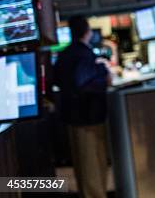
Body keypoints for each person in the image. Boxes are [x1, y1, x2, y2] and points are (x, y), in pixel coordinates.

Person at [54, 16, 110, 198]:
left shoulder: (65, 54)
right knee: (92, 164)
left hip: (71, 117)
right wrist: (103, 72)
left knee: (82, 164)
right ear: (88, 31)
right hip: (88, 117)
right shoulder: (84, 54)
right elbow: (85, 84)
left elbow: (55, 80)